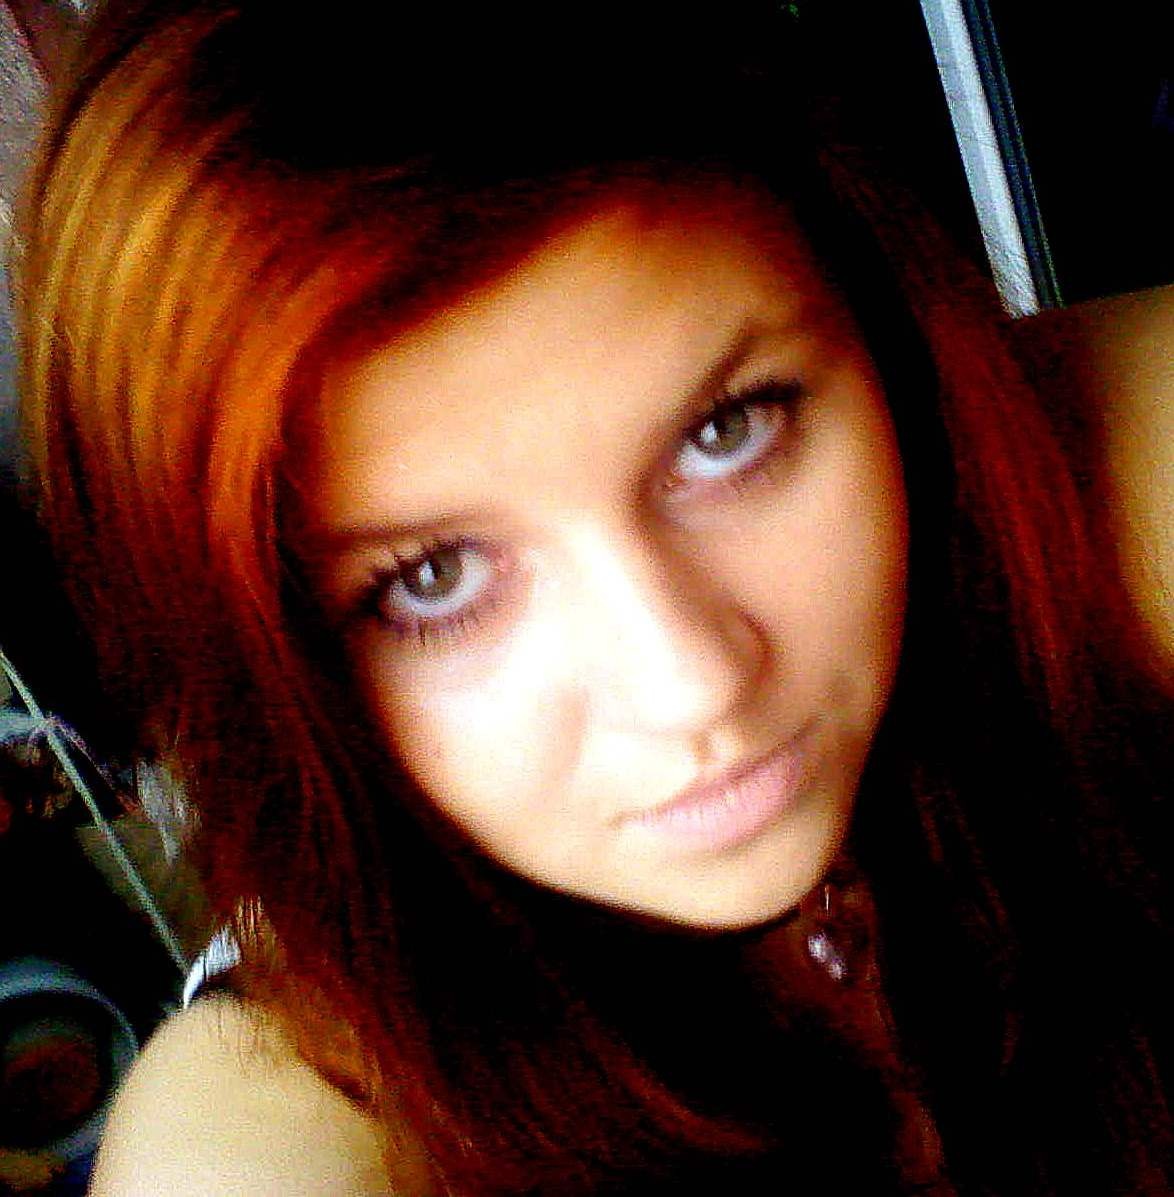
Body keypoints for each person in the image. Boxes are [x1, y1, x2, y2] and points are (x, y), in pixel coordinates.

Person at [13, 0, 1174, 1192]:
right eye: (432, 578)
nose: (692, 687)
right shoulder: (292, 1118)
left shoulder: (1036, 489)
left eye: (728, 431)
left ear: (875, 331)